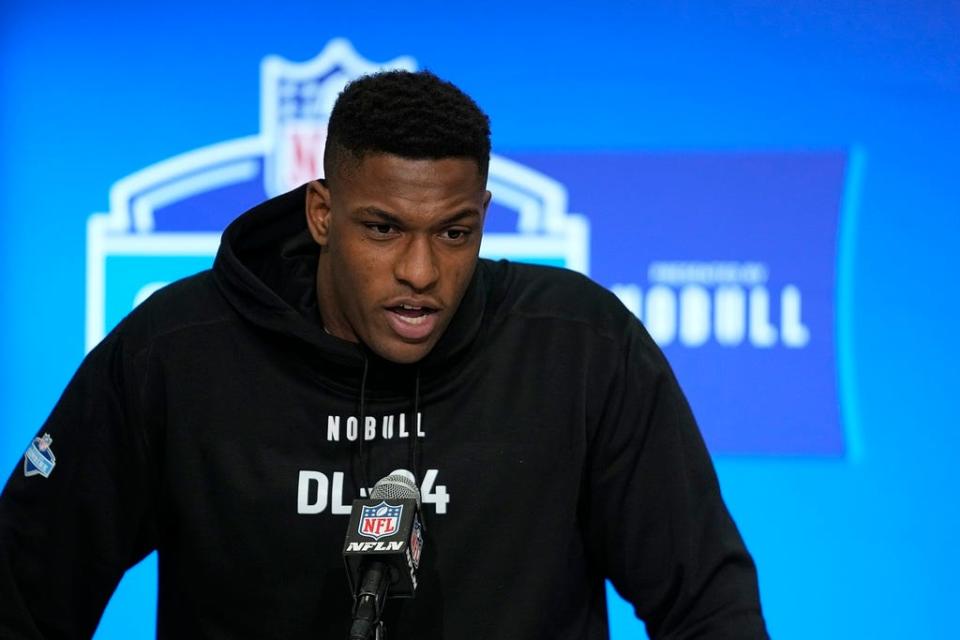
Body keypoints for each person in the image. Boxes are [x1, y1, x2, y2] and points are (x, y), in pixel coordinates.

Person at [0, 70, 768, 639]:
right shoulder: (177, 352)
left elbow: (707, 603)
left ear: (485, 217)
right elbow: (25, 587)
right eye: (383, 228)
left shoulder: (579, 349)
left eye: (454, 232)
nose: (422, 272)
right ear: (322, 213)